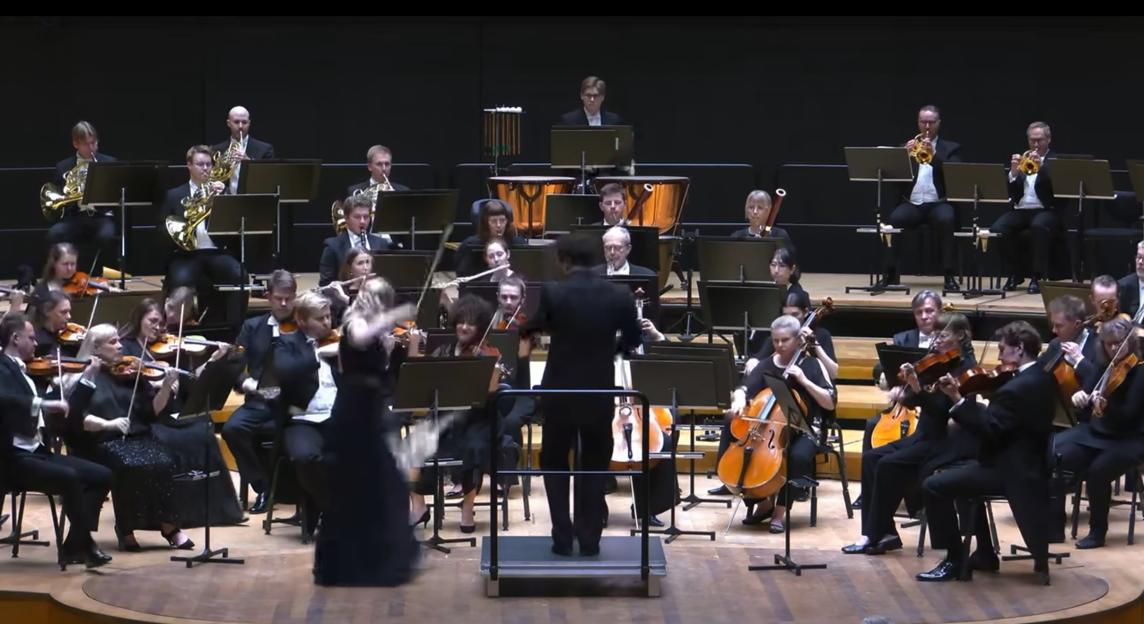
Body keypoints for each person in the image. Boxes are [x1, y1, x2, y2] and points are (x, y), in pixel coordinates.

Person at [522, 234, 642, 556]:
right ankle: (590, 540)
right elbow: (631, 341)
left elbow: (534, 327)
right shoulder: (620, 296)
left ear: (564, 260)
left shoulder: (553, 291)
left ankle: (562, 538)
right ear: (598, 259)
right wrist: (607, 348)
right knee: (593, 463)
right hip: (597, 390)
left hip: (559, 391)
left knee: (555, 461)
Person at [918, 321, 1055, 583]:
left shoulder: (1016, 388)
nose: (999, 356)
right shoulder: (1042, 375)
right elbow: (1008, 420)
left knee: (934, 485)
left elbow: (992, 429)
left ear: (1020, 349)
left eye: (1003, 350)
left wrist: (958, 401)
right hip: (1029, 463)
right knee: (962, 479)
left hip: (1009, 470)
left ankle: (954, 559)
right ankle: (984, 553)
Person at [313, 277, 419, 586]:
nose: (375, 304)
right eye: (372, 298)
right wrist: (392, 318)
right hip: (353, 412)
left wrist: (388, 345)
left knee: (384, 484)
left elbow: (376, 366)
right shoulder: (354, 320)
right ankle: (354, 563)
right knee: (357, 484)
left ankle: (380, 556)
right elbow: (358, 338)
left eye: (381, 301)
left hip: (371, 409)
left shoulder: (375, 326)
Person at [842, 313, 977, 555]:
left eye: (942, 335)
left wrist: (918, 389)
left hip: (942, 441)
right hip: (924, 435)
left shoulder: (965, 370)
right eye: (934, 334)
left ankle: (876, 535)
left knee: (887, 464)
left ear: (961, 336)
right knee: (872, 457)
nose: (936, 340)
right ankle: (883, 532)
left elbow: (943, 412)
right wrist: (906, 390)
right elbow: (916, 402)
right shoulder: (939, 362)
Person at [64, 324, 194, 552]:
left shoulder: (130, 373)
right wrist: (109, 423)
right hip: (101, 440)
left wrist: (164, 388)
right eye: (113, 342)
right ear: (95, 349)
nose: (120, 345)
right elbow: (77, 418)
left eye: (119, 340)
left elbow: (150, 411)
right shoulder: (81, 378)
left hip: (137, 435)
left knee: (165, 461)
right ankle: (126, 529)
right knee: (128, 465)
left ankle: (170, 526)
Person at [0, 313, 112, 568]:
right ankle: (87, 546)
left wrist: (86, 380)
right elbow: (4, 399)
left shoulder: (28, 373)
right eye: (31, 338)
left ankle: (75, 544)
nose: (36, 343)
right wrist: (42, 402)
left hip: (37, 452)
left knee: (102, 475)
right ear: (15, 338)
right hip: (12, 459)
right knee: (70, 478)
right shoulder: (2, 366)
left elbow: (65, 420)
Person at [726, 315, 837, 531]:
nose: (779, 345)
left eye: (785, 340)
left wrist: (804, 380)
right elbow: (745, 387)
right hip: (771, 429)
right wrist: (739, 398)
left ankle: (780, 511)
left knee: (798, 456)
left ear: (797, 340)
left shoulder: (813, 365)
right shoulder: (768, 364)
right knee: (732, 431)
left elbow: (830, 403)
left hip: (807, 428)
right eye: (775, 340)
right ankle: (762, 502)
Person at [1054, 318, 1144, 548]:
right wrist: (1079, 398)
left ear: (1130, 342)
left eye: (1119, 343)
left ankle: (1097, 532)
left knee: (1098, 472)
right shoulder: (1105, 366)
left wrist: (1104, 404)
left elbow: (1129, 414)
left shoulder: (1140, 372)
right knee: (1054, 452)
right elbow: (1086, 394)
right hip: (1098, 433)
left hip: (1130, 438)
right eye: (1109, 344)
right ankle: (1052, 525)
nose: (1114, 348)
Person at [221, 270, 297, 514]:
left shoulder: (305, 324)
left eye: (289, 298)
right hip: (259, 402)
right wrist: (248, 383)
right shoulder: (252, 327)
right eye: (278, 298)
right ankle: (263, 487)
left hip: (295, 404)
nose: (284, 303)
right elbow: (233, 363)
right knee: (232, 429)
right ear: (268, 297)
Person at [159, 145, 247, 326]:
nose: (206, 168)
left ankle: (234, 329)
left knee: (240, 276)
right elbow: (162, 229)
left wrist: (223, 201)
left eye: (208, 164)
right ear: (189, 166)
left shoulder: (222, 192)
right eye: (200, 164)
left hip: (217, 252)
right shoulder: (174, 195)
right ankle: (175, 330)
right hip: (186, 254)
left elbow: (234, 228)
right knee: (181, 282)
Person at [878, 105, 962, 292]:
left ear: (938, 124)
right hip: (912, 204)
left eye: (931, 122)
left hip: (938, 204)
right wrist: (904, 157)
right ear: (918, 123)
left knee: (948, 220)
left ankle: (949, 275)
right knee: (894, 221)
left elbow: (954, 172)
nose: (927, 126)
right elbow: (895, 182)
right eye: (923, 121)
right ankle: (890, 273)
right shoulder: (906, 147)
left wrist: (934, 155)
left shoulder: (950, 148)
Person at [45, 121, 119, 275]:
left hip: (100, 216)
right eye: (86, 144)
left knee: (107, 235)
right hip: (75, 217)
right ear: (75, 144)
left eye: (94, 143)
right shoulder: (63, 167)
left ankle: (102, 276)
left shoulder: (109, 163)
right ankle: (62, 276)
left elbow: (117, 194)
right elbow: (58, 195)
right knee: (55, 233)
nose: (92, 148)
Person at [993, 122, 1058, 295]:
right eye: (1032, 141)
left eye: (1040, 140)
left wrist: (1042, 168)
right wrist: (1013, 173)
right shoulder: (1023, 159)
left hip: (1046, 209)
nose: (1036, 145)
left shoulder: (1055, 161)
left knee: (1038, 226)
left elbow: (1056, 189)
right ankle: (1015, 273)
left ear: (1048, 140)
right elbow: (1012, 193)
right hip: (1021, 209)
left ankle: (1037, 276)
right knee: (998, 229)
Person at [318, 193, 394, 286]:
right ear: (346, 218)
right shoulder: (332, 246)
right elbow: (325, 283)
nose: (362, 221)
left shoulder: (382, 243)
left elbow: (387, 278)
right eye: (357, 217)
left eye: (366, 217)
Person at [211, 105, 276, 195]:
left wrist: (248, 162)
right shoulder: (217, 149)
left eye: (244, 122)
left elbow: (269, 179)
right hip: (225, 201)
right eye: (236, 122)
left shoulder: (265, 149)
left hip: (253, 201)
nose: (240, 126)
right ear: (228, 123)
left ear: (249, 123)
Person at [456, 200, 526, 277]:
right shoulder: (470, 245)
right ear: (486, 223)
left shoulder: (518, 244)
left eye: (502, 220)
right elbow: (462, 276)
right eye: (493, 221)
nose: (499, 225)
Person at [558, 76, 623, 126]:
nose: (592, 99)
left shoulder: (614, 120)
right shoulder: (568, 121)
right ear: (581, 96)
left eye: (596, 96)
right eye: (588, 95)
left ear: (603, 97)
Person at [346, 144, 411, 195]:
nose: (384, 168)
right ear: (369, 167)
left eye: (387, 164)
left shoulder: (403, 191)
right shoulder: (354, 191)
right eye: (379, 164)